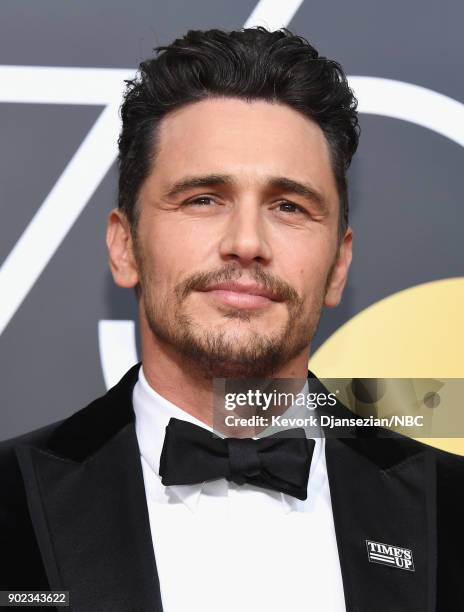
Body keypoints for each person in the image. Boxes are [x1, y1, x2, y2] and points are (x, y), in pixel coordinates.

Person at [0, 26, 462, 611]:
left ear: (339, 265)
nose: (246, 243)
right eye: (203, 199)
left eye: (288, 206)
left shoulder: (450, 510)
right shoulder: (11, 497)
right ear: (124, 246)